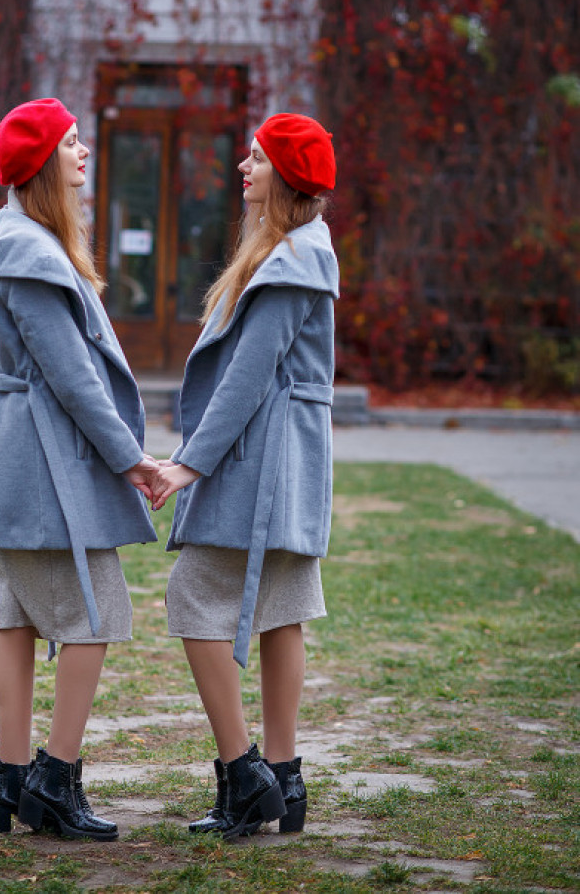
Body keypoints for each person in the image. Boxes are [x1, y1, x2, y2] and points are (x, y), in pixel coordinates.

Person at [0, 97, 161, 840]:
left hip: (19, 465)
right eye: (73, 142)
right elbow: (73, 379)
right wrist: (131, 459)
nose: (84, 152)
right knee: (96, 614)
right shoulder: (30, 252)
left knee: (17, 618)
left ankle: (9, 779)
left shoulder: (21, 239)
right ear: (43, 161)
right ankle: (53, 781)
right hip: (39, 471)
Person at [151, 112, 339, 840]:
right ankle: (283, 782)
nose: (243, 166)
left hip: (262, 462)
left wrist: (188, 463)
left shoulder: (291, 261)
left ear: (284, 177)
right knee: (281, 608)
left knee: (194, 595)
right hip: (288, 460)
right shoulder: (297, 250)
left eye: (257, 158)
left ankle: (245, 773)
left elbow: (249, 378)